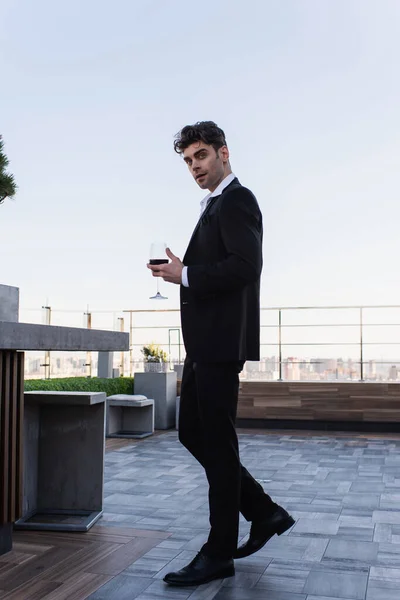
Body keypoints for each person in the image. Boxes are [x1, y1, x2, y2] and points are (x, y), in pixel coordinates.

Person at [147, 121, 294, 587]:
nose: (194, 167)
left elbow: (246, 266)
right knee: (194, 432)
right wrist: (182, 269)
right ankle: (262, 511)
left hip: (219, 343)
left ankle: (219, 552)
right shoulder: (214, 205)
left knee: (217, 440)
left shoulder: (237, 199)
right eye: (188, 160)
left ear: (223, 154)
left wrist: (184, 273)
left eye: (201, 156)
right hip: (205, 345)